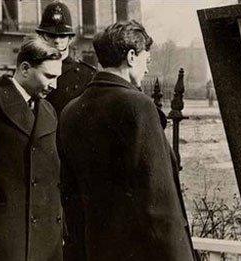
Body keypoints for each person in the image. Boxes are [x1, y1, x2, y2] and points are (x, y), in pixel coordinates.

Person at [58, 21, 196, 261]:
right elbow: (160, 204)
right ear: (132, 56)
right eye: (147, 60)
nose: (146, 69)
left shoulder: (71, 110)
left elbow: (69, 198)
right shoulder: (138, 105)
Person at [0, 37, 63, 261]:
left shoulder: (49, 110)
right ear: (24, 68)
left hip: (47, 241)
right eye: (49, 76)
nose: (55, 86)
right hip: (3, 240)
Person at [36, 1, 96, 117]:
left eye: (62, 35)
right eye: (51, 35)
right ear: (42, 37)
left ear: (71, 39)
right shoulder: (33, 69)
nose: (57, 41)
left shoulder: (87, 75)